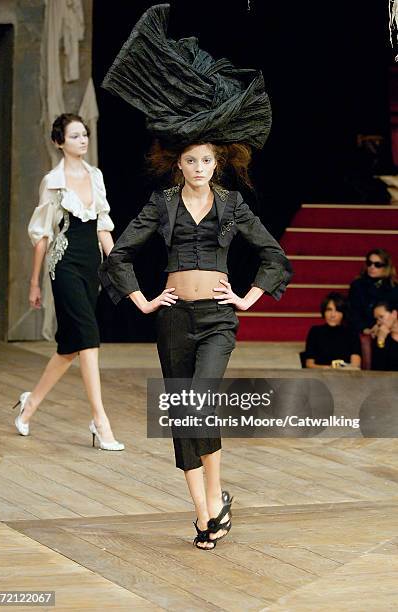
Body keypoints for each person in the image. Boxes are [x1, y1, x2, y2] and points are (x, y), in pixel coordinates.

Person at [98, 4, 292, 549]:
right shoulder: (161, 206)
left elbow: (274, 257)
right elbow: (120, 255)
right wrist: (140, 300)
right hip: (173, 318)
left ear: (217, 163)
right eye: (191, 160)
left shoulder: (233, 207)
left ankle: (216, 500)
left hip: (217, 320)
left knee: (200, 400)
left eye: (207, 160)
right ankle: (207, 513)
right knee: (181, 414)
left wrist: (249, 298)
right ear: (178, 164)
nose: (200, 168)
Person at [14, 113, 124, 451]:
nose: (82, 140)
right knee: (89, 338)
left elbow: (103, 225)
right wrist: (34, 283)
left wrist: (119, 264)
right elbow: (42, 236)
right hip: (63, 266)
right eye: (75, 136)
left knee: (70, 347)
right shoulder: (53, 181)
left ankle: (29, 404)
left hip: (92, 265)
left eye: (84, 134)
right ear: (59, 141)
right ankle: (100, 420)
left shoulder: (96, 176)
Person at [304, 292, 361, 369]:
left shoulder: (352, 333)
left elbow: (355, 365)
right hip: (320, 376)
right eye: (329, 310)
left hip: (345, 376)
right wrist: (330, 368)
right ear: (324, 312)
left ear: (343, 313)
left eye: (337, 310)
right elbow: (309, 364)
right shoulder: (315, 332)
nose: (332, 315)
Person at [348, 248, 398, 335]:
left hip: (388, 331)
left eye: (377, 264)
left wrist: (382, 326)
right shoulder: (357, 285)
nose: (372, 267)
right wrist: (365, 329)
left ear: (386, 267)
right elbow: (353, 313)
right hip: (363, 331)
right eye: (369, 263)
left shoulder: (394, 287)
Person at [372, 301, 398, 371]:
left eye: (381, 317)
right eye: (376, 319)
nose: (378, 322)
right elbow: (378, 368)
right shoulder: (380, 337)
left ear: (394, 314)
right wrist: (381, 339)